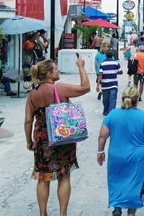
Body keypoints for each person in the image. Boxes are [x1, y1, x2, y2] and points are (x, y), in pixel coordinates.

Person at [24, 56, 91, 216]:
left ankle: (43, 213)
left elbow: (28, 120)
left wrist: (29, 141)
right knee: (64, 176)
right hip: (62, 137)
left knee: (43, 177)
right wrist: (81, 66)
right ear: (48, 74)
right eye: (56, 68)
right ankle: (62, 214)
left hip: (42, 139)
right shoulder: (59, 89)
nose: (59, 70)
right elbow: (86, 87)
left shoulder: (32, 95)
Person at [97, 87, 144, 216]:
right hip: (138, 157)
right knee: (135, 184)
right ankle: (131, 213)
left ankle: (117, 207)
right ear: (136, 100)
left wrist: (100, 151)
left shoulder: (113, 114)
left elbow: (102, 135)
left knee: (116, 180)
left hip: (116, 155)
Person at [98, 50, 123, 115]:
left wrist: (98, 84)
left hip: (105, 84)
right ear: (112, 55)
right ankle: (111, 112)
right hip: (113, 84)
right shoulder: (116, 63)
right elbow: (121, 71)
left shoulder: (102, 63)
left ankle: (106, 111)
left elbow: (100, 74)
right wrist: (116, 72)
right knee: (113, 98)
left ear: (106, 56)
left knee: (105, 99)